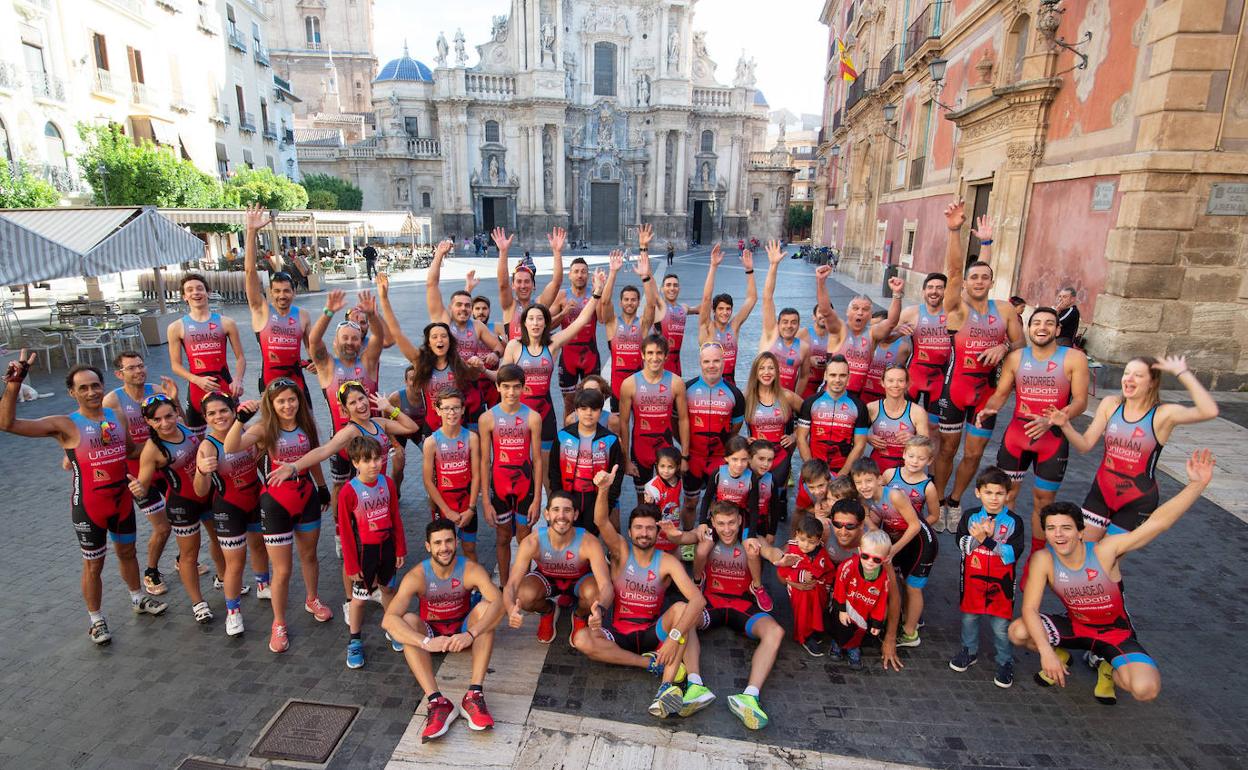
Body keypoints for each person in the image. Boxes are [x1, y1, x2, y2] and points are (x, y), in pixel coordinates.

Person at [1009, 450, 1213, 704]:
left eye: (1066, 528)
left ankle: (1110, 668)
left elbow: (1158, 523)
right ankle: (1061, 655)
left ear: (1081, 532)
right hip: (1077, 627)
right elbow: (1029, 609)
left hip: (1114, 634)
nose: (1058, 535)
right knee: (1018, 631)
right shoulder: (1045, 560)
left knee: (1145, 689)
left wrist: (1197, 485)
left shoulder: (1106, 551)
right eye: (1051, 529)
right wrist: (1045, 653)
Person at [0, 355, 168, 644]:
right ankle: (96, 619)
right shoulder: (65, 424)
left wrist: (172, 441)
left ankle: (138, 598)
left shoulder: (117, 417)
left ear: (103, 386)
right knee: (94, 565)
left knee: (128, 554)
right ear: (72, 392)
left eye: (95, 386)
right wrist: (15, 383)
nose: (91, 392)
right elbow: (7, 424)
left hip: (122, 501)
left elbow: (131, 451)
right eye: (83, 388)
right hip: (90, 506)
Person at [573, 466, 713, 720]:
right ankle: (651, 665)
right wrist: (603, 489)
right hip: (618, 631)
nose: (644, 533)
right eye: (638, 528)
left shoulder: (667, 561)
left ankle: (665, 689)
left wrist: (672, 637)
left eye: (649, 528)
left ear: (658, 533)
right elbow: (601, 521)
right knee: (582, 639)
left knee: (683, 611)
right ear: (629, 532)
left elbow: (698, 599)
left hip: (651, 631)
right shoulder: (620, 551)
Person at [1048, 355, 1216, 545]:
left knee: (1108, 560)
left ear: (1152, 382)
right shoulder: (1111, 405)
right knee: (1082, 553)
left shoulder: (1163, 415)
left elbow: (1209, 411)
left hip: (1136, 500)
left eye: (1137, 375)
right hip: (1102, 491)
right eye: (1126, 373)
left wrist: (1182, 372)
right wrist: (1065, 425)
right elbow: (1085, 445)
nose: (1128, 379)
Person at [931, 205, 1024, 526]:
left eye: (985, 277)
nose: (979, 281)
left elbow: (1021, 348)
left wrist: (1004, 345)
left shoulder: (1006, 311)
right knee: (946, 450)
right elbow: (954, 272)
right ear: (966, 282)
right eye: (974, 277)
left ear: (992, 281)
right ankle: (938, 500)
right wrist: (954, 232)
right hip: (955, 389)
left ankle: (955, 501)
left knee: (973, 454)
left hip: (986, 394)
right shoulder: (956, 309)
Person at [224, 378, 332, 652]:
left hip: (305, 497)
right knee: (282, 570)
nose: (288, 405)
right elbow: (230, 447)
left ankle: (312, 599)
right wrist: (239, 420)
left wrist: (321, 487)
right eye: (281, 401)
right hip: (275, 504)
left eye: (292, 399)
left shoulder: (307, 424)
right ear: (271, 404)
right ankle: (279, 622)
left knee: (309, 556)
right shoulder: (263, 429)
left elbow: (315, 456)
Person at [665, 501, 794, 730]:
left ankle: (750, 697)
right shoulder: (706, 535)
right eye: (721, 523)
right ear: (713, 522)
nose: (727, 529)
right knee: (684, 617)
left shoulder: (750, 539)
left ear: (740, 521)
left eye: (732, 523)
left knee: (776, 632)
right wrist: (671, 533)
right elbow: (682, 538)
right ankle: (695, 685)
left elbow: (769, 550)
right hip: (711, 602)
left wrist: (778, 557)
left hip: (742, 605)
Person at [976, 307, 1090, 546]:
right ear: (1029, 328)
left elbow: (1080, 401)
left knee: (1043, 502)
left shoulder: (1074, 358)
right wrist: (988, 408)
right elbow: (1001, 393)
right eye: (1036, 323)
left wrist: (1052, 420)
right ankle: (997, 550)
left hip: (1053, 438)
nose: (1042, 328)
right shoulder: (1016, 358)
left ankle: (1037, 558)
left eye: (1049, 323)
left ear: (1058, 329)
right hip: (1017, 436)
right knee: (1003, 496)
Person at [382, 520, 504, 742]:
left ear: (456, 542)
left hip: (463, 631)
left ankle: (474, 695)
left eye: (448, 541)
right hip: (432, 633)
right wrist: (425, 642)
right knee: (407, 620)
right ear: (428, 546)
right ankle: (437, 702)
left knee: (487, 609)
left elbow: (500, 603)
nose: (444, 547)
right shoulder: (417, 575)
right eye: (437, 543)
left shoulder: (469, 569)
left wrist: (471, 634)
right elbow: (388, 620)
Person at [308, 289, 386, 556]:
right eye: (345, 338)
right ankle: (342, 532)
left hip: (371, 440)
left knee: (372, 486)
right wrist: (329, 311)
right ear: (336, 341)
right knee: (341, 490)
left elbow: (379, 337)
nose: (350, 342)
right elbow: (313, 340)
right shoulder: (327, 366)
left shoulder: (368, 361)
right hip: (340, 441)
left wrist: (372, 314)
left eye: (354, 338)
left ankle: (372, 529)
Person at [130, 394, 219, 625]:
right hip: (182, 504)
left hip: (207, 494)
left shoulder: (182, 427)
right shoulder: (152, 450)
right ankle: (198, 603)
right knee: (189, 556)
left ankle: (223, 578)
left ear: (176, 413)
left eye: (169, 416)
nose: (165, 423)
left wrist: (177, 397)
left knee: (218, 539)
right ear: (148, 423)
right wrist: (137, 488)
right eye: (157, 420)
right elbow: (143, 487)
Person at [501, 272, 606, 453]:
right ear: (524, 323)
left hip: (545, 411)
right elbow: (501, 378)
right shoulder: (514, 346)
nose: (535, 323)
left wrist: (597, 292)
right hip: (517, 411)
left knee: (546, 462)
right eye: (531, 319)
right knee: (519, 458)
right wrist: (482, 370)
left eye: (540, 319)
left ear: (545, 324)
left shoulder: (552, 345)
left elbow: (580, 321)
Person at [102, 351, 179, 595]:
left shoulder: (156, 390)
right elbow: (114, 442)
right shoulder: (112, 402)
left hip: (164, 467)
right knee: (163, 527)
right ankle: (151, 571)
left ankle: (182, 559)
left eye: (141, 366)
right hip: (137, 474)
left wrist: (174, 401)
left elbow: (178, 426)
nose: (139, 371)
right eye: (131, 368)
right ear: (119, 374)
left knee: (183, 515)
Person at [193, 392, 266, 637]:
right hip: (228, 507)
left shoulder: (247, 433)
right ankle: (233, 613)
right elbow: (199, 490)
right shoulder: (207, 446)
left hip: (254, 497)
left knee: (259, 546)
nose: (218, 417)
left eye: (223, 410)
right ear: (205, 418)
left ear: (234, 411)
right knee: (235, 563)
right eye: (211, 413)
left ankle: (263, 584)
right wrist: (201, 471)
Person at [504, 490, 613, 645]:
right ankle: (548, 610)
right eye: (556, 510)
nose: (561, 516)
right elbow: (512, 584)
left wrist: (600, 610)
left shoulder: (589, 541)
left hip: (579, 581)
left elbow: (606, 585)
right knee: (523, 596)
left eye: (567, 510)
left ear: (575, 515)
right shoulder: (532, 541)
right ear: (546, 514)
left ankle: (580, 615)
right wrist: (510, 609)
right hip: (547, 579)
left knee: (595, 597)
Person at [949, 467, 1025, 688]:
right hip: (972, 580)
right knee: (969, 619)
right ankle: (969, 651)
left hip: (1002, 584)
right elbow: (962, 546)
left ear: (1008, 495)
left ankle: (1004, 661)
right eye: (988, 492)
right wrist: (979, 538)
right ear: (977, 493)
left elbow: (1012, 554)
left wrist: (987, 540)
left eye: (999, 493)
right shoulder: (970, 516)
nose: (994, 498)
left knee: (1001, 627)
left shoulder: (1014, 521)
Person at [850, 457, 936, 648]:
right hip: (900, 541)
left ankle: (910, 633)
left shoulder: (895, 495)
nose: (864, 486)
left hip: (922, 541)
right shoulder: (865, 499)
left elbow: (914, 526)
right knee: (901, 581)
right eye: (858, 482)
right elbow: (870, 525)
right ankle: (909, 617)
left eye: (868, 480)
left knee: (913, 587)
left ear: (879, 479)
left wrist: (893, 548)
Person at [338, 436, 406, 669]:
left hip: (386, 548)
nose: (374, 464)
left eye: (377, 459)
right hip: (363, 552)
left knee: (388, 589)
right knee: (359, 600)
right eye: (367, 460)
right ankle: (354, 640)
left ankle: (392, 627)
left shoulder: (387, 483)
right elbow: (346, 533)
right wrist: (352, 565)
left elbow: (395, 518)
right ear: (355, 463)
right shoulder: (349, 491)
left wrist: (400, 548)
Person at [815, 499, 905, 671]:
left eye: (849, 526)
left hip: (865, 596)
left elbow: (893, 596)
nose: (842, 531)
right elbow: (795, 549)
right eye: (837, 524)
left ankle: (861, 640)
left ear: (861, 525)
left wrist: (890, 639)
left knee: (883, 609)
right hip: (839, 591)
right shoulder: (825, 532)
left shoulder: (874, 545)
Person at [424, 241, 506, 424]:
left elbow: (498, 346)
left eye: (468, 306)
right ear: (451, 307)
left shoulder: (477, 326)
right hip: (447, 388)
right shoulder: (443, 321)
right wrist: (439, 255)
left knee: (473, 439)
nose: (464, 309)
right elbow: (431, 285)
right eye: (459, 305)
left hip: (471, 388)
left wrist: (494, 354)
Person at [478, 365, 544, 585]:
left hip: (526, 486)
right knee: (503, 536)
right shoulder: (487, 418)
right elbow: (485, 461)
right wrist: (486, 501)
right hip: (500, 485)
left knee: (524, 539)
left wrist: (537, 499)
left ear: (524, 388)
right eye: (505, 387)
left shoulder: (533, 417)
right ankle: (505, 586)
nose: (511, 392)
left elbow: (537, 460)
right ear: (497, 387)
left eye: (516, 387)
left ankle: (522, 585)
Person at [243, 205, 313, 402]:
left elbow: (311, 349)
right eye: (277, 291)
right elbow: (250, 273)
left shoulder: (303, 315)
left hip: (296, 379)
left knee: (309, 428)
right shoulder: (261, 311)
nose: (282, 295)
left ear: (294, 292)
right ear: (270, 294)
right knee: (272, 431)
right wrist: (251, 232)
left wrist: (316, 362)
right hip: (270, 380)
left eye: (286, 291)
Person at [681, 341, 745, 534]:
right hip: (694, 456)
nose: (712, 365)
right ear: (700, 363)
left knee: (718, 505)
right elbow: (678, 423)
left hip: (719, 457)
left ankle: (712, 538)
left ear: (723, 362)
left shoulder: (734, 393)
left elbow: (735, 428)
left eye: (716, 361)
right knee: (691, 502)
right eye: (707, 361)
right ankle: (688, 538)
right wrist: (686, 448)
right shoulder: (686, 389)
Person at [811, 264, 904, 398]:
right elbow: (825, 310)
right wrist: (821, 281)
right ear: (847, 312)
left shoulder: (872, 333)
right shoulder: (840, 329)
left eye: (865, 310)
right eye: (855, 308)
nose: (860, 313)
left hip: (856, 396)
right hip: (829, 394)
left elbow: (891, 323)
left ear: (870, 315)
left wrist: (896, 294)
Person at [166, 274, 246, 427]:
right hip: (197, 386)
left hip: (224, 384)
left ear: (208, 292)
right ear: (184, 296)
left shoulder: (226, 323)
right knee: (196, 437)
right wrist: (197, 380)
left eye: (199, 288)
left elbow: (240, 358)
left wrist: (238, 380)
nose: (195, 292)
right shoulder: (176, 327)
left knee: (234, 432)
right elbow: (175, 366)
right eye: (190, 290)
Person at [619, 335, 690, 489]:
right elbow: (623, 423)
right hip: (640, 449)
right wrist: (626, 460)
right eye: (650, 353)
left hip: (665, 447)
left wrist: (685, 456)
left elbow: (683, 420)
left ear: (666, 356)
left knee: (668, 499)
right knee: (642, 499)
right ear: (642, 355)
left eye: (659, 353)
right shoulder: (629, 384)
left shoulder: (676, 383)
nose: (654, 357)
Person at [550, 387, 624, 533]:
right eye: (583, 408)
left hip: (596, 498)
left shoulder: (610, 440)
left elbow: (617, 474)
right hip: (569, 495)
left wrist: (608, 502)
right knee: (569, 535)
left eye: (594, 409)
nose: (589, 413)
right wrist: (558, 497)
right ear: (576, 411)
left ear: (601, 412)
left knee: (591, 536)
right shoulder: (563, 436)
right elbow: (554, 469)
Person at [422, 389, 482, 560]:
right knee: (443, 551)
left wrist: (471, 509)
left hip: (466, 503)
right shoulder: (431, 442)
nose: (451, 413)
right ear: (438, 410)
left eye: (456, 408)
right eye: (447, 408)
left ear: (463, 409)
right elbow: (428, 481)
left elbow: (476, 475)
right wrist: (447, 511)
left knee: (469, 548)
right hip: (443, 505)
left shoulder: (472, 438)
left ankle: (473, 585)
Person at [743, 351, 804, 512]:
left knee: (774, 502)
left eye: (771, 368)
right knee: (755, 501)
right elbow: (730, 424)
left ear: (777, 372)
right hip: (756, 457)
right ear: (755, 372)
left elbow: (811, 413)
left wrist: (795, 435)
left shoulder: (787, 396)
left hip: (780, 456)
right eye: (762, 368)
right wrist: (744, 441)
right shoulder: (747, 397)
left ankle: (772, 533)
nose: (766, 372)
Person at [599, 250, 659, 409]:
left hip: (640, 386)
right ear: (620, 303)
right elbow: (604, 303)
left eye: (633, 300)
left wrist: (645, 277)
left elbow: (652, 305)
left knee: (640, 429)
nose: (630, 303)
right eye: (626, 299)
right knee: (619, 429)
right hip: (617, 389)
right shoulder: (612, 323)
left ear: (639, 303)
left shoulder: (643, 324)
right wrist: (612, 273)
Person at [830, 530, 894, 669]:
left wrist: (877, 623)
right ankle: (836, 646)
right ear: (859, 550)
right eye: (865, 556)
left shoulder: (883, 578)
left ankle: (853, 649)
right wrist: (841, 609)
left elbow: (881, 601)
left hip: (863, 612)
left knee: (858, 632)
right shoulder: (849, 566)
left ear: (886, 558)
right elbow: (839, 585)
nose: (870, 562)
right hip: (846, 606)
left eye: (877, 559)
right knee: (839, 628)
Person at [795, 356, 869, 476]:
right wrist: (811, 468)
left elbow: (860, 445)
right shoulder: (810, 402)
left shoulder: (859, 406)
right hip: (814, 468)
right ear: (825, 376)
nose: (837, 380)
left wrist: (843, 473)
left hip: (843, 470)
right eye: (833, 375)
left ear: (849, 377)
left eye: (842, 375)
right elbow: (801, 438)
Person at [777, 515, 838, 657]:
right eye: (802, 540)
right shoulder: (791, 551)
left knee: (817, 607)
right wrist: (800, 576)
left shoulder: (821, 552)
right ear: (797, 534)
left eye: (811, 542)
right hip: (798, 589)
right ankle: (804, 636)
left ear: (818, 541)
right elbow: (782, 571)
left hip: (818, 588)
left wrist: (827, 585)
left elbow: (829, 569)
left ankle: (814, 630)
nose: (805, 545)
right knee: (804, 608)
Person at [549, 256, 604, 414]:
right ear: (570, 275)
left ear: (588, 275)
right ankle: (569, 437)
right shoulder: (562, 296)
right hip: (568, 356)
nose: (580, 275)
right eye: (576, 272)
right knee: (569, 403)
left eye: (583, 272)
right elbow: (548, 325)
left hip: (590, 354)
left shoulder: (594, 293)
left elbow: (601, 319)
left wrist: (600, 291)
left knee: (593, 401)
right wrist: (563, 313)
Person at [696, 245, 757, 384]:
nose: (725, 312)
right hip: (710, 383)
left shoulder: (734, 326)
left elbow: (752, 299)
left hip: (730, 383)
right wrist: (713, 266)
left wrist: (749, 270)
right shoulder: (707, 327)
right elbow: (706, 299)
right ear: (714, 311)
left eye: (728, 309)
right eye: (721, 309)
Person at [756, 240, 810, 393]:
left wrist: (795, 400)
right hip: (760, 401)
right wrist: (773, 266)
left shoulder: (804, 348)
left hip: (785, 406)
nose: (789, 326)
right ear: (778, 324)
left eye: (794, 322)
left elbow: (804, 376)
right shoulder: (771, 335)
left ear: (798, 325)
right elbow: (767, 297)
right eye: (785, 322)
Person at [494, 226, 565, 341]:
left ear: (533, 286)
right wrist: (503, 252)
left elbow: (556, 283)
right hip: (514, 359)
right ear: (513, 285)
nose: (523, 286)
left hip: (538, 359)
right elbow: (502, 284)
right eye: (519, 282)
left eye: (527, 282)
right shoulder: (509, 306)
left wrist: (557, 252)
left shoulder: (540, 304)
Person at [896, 272, 950, 420]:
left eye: (939, 288)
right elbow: (887, 339)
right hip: (915, 374)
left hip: (940, 377)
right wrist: (897, 332)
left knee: (934, 427)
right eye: (930, 287)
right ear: (923, 291)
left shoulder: (954, 316)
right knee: (905, 421)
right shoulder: (911, 313)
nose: (934, 291)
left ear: (946, 291)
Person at [647, 227, 699, 376]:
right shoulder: (659, 306)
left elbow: (701, 307)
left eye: (675, 285)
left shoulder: (683, 308)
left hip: (677, 365)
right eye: (668, 285)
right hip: (659, 365)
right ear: (662, 289)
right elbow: (650, 281)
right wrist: (644, 249)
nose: (672, 288)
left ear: (679, 288)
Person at [865, 365, 929, 473]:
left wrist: (913, 439)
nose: (895, 385)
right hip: (877, 467)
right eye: (890, 380)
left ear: (907, 384)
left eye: (900, 381)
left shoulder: (917, 412)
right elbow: (856, 433)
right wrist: (868, 437)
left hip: (906, 468)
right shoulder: (872, 408)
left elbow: (927, 444)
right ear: (882, 382)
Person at [883, 435, 941, 529]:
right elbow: (875, 499)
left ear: (929, 460)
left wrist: (917, 528)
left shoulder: (929, 487)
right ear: (904, 454)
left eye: (921, 458)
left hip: (912, 534)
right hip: (886, 528)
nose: (915, 461)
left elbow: (934, 515)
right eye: (911, 456)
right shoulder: (889, 474)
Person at [859, 311, 912, 404]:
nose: (874, 330)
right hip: (863, 395)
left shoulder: (903, 348)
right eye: (871, 326)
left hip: (886, 398)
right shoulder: (864, 344)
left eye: (878, 326)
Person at [644, 447, 685, 555]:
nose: (666, 471)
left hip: (673, 521)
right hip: (658, 525)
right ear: (656, 465)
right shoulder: (652, 487)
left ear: (678, 467)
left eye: (670, 467)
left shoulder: (678, 479)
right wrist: (650, 502)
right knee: (656, 553)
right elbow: (650, 511)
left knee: (673, 548)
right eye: (662, 466)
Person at [796, 300, 832, 399]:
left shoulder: (835, 337)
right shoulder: (803, 333)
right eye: (821, 312)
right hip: (806, 383)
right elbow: (787, 356)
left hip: (827, 385)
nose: (824, 315)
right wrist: (809, 360)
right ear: (814, 316)